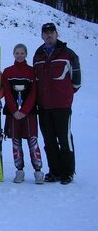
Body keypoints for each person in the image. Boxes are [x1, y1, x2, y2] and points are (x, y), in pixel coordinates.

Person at [33, 23, 81, 185]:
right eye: (45, 33)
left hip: (62, 105)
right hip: (44, 106)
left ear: (56, 33)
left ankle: (67, 172)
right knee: (49, 139)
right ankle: (54, 170)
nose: (49, 35)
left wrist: (65, 95)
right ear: (42, 35)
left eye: (51, 32)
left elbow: (77, 81)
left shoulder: (68, 54)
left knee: (64, 138)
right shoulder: (38, 55)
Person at [2, 44, 44, 184]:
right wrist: (14, 110)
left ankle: (38, 171)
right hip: (13, 113)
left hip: (29, 112)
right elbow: (7, 92)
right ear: (13, 54)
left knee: (32, 141)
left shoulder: (32, 71)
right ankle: (19, 170)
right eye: (17, 53)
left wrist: (24, 110)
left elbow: (34, 93)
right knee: (16, 142)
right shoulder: (7, 72)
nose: (19, 55)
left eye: (22, 53)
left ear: (26, 54)